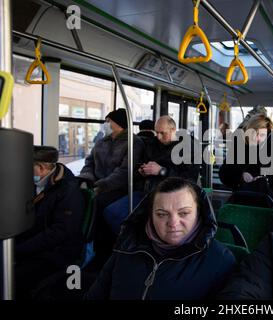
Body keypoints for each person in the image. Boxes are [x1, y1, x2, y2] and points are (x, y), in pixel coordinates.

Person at [85, 177, 236, 300]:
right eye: (162, 214)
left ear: (199, 214)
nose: (173, 223)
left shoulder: (219, 260)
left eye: (184, 213)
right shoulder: (127, 248)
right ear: (150, 216)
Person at [103, 116, 200, 235]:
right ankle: (126, 243)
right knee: (110, 212)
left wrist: (162, 171)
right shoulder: (151, 144)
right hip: (147, 191)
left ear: (173, 129)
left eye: (162, 133)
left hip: (171, 196)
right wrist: (141, 171)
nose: (158, 137)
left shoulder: (188, 147)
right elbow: (138, 168)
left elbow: (190, 179)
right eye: (157, 132)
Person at [15, 146, 84, 299]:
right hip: (38, 241)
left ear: (40, 167)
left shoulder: (67, 190)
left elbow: (60, 232)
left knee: (14, 277)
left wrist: (20, 249)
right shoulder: (38, 183)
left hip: (57, 251)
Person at [78, 108, 144, 264]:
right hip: (97, 185)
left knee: (98, 205)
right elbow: (89, 163)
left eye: (109, 121)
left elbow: (125, 172)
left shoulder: (134, 143)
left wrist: (102, 186)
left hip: (120, 187)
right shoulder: (101, 141)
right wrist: (85, 179)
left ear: (119, 123)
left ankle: (102, 249)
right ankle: (84, 244)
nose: (105, 124)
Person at [219, 113, 273, 208]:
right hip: (242, 198)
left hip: (269, 201)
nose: (257, 138)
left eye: (262, 135)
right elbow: (224, 173)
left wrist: (265, 181)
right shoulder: (239, 146)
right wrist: (241, 175)